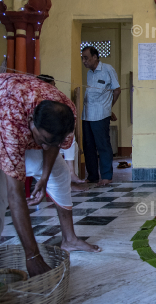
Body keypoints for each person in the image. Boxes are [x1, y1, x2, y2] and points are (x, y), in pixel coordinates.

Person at [0, 74, 101, 277]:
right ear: (31, 121)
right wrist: (33, 257)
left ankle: (70, 239)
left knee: (60, 172)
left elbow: (52, 144)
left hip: (25, 120)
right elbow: (15, 193)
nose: (44, 147)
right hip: (4, 119)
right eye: (42, 140)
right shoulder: (11, 118)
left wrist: (44, 177)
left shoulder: (67, 111)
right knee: (2, 192)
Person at [37, 74, 86, 188]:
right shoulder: (36, 99)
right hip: (41, 137)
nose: (55, 89)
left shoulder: (58, 101)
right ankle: (62, 177)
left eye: (55, 85)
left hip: (55, 137)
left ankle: (71, 172)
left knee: (70, 137)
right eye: (52, 86)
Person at [81, 46, 121, 187]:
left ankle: (106, 176)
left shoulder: (107, 69)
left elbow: (116, 90)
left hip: (101, 114)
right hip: (86, 114)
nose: (84, 61)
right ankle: (92, 176)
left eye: (86, 58)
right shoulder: (89, 73)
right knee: (88, 146)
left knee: (103, 145)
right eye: (82, 58)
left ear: (95, 57)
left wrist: (109, 108)